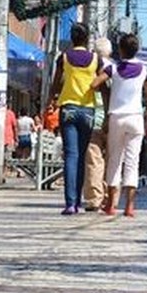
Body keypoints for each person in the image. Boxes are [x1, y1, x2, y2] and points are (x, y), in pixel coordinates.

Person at [92, 33, 147, 216]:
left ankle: (111, 205)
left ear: (120, 50)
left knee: (114, 160)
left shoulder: (113, 68)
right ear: (137, 50)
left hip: (116, 118)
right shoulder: (144, 70)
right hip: (136, 117)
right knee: (133, 161)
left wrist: (110, 91)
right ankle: (129, 206)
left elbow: (95, 83)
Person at [48, 23, 101, 215]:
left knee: (71, 155)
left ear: (72, 38)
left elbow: (56, 83)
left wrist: (49, 101)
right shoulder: (96, 59)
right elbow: (102, 84)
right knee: (82, 155)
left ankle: (70, 203)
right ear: (87, 39)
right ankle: (78, 202)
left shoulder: (63, 58)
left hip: (68, 108)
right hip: (87, 111)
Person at [82, 37, 113, 212]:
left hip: (92, 116)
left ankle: (94, 199)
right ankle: (109, 197)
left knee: (94, 160)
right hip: (113, 118)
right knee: (111, 160)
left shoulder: (90, 67)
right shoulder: (116, 68)